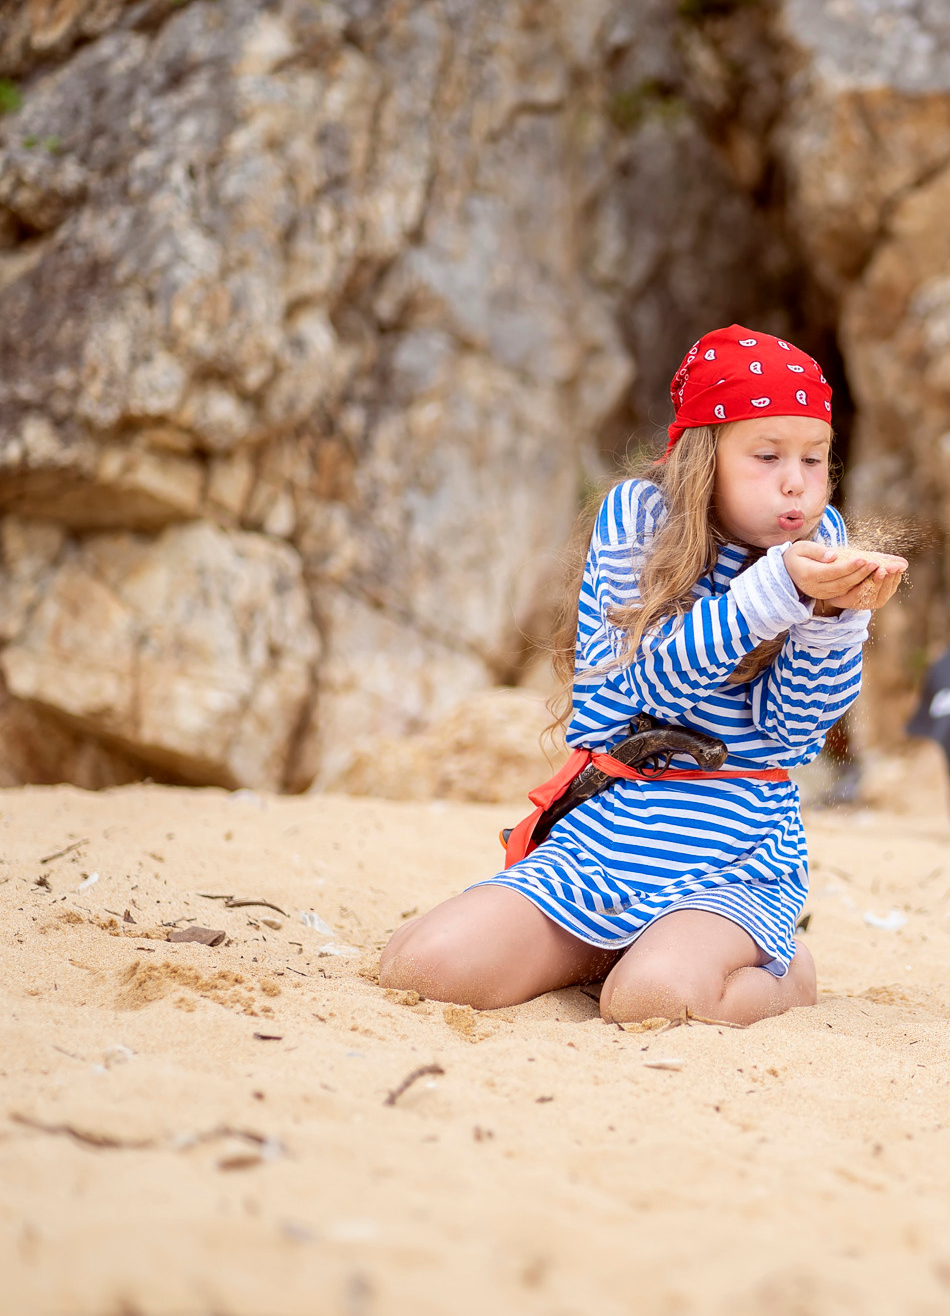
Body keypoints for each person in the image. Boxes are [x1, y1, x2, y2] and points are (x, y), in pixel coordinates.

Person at [379, 325, 905, 1025]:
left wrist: (836, 620)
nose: (796, 484)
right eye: (767, 455)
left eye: (816, 459)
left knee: (649, 1000)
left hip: (733, 856)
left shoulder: (821, 544)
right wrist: (774, 593)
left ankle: (786, 971)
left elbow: (793, 735)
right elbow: (647, 687)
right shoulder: (638, 518)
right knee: (421, 966)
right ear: (704, 455)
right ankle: (607, 947)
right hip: (608, 837)